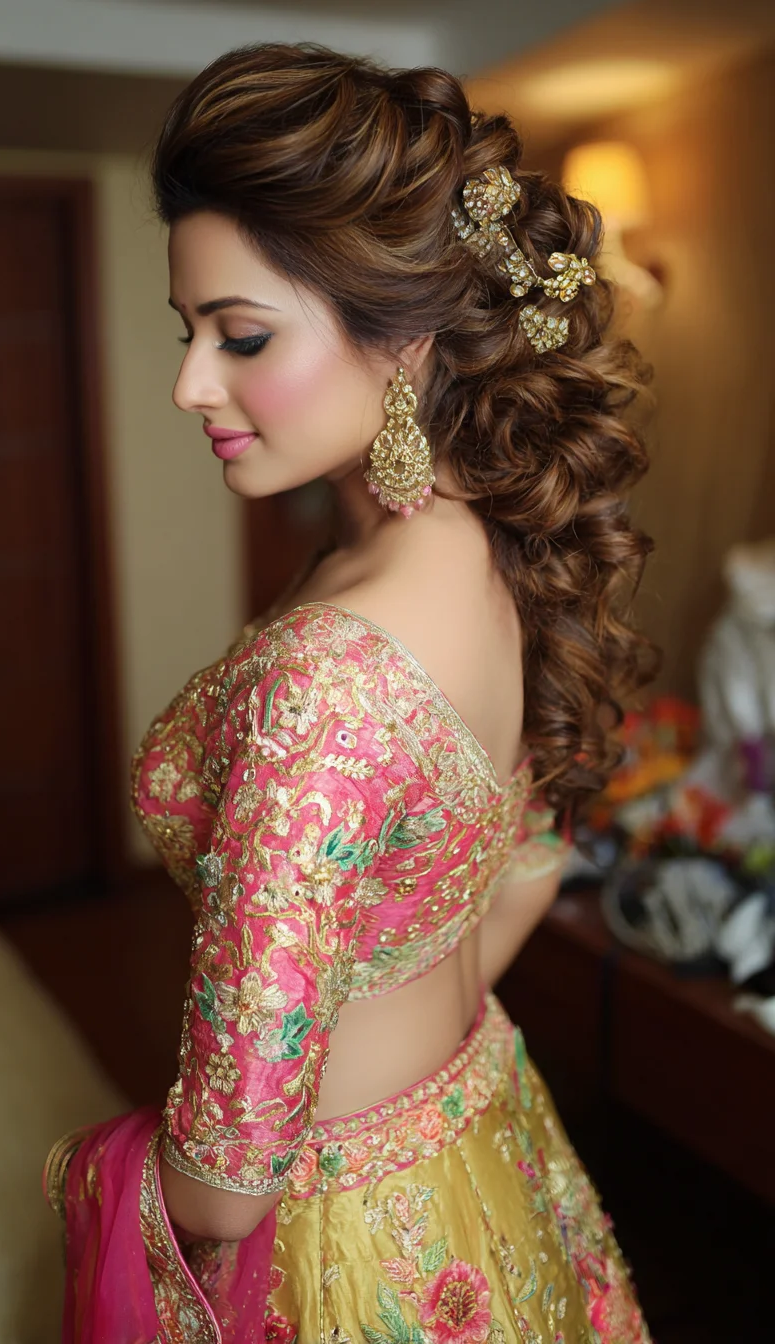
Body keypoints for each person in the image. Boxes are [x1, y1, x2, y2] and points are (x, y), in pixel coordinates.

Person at [44, 42, 658, 1344]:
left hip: (345, 1255)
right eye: (187, 331)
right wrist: (404, 1023)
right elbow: (533, 854)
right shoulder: (490, 546)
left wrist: (95, 1179)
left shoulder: (322, 679)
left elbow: (223, 1185)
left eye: (241, 335)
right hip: (477, 1128)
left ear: (406, 340)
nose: (189, 384)